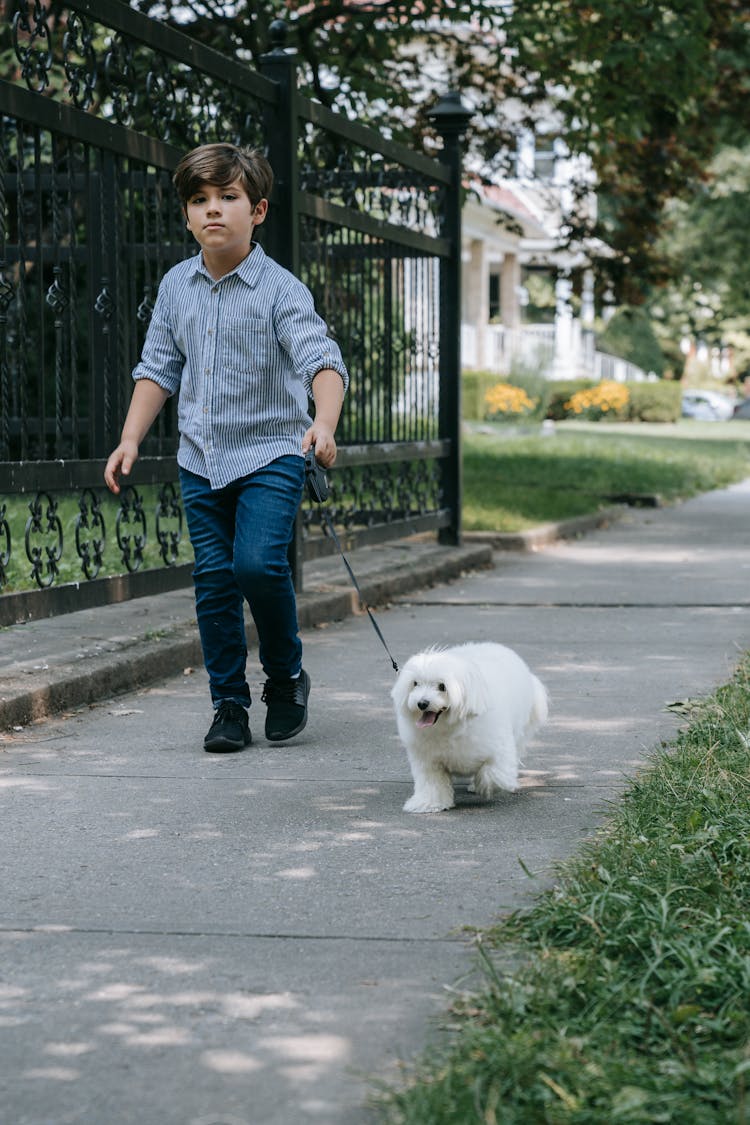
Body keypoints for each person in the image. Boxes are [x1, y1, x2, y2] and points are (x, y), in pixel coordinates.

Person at [104, 142, 349, 753]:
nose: (213, 210)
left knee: (257, 565)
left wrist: (323, 424)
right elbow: (157, 368)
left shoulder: (281, 290)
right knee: (214, 579)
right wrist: (131, 437)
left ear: (258, 210)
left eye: (228, 198)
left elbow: (321, 360)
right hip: (201, 459)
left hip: (271, 452)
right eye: (199, 200)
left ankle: (287, 676)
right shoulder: (176, 287)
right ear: (187, 215)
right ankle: (229, 706)